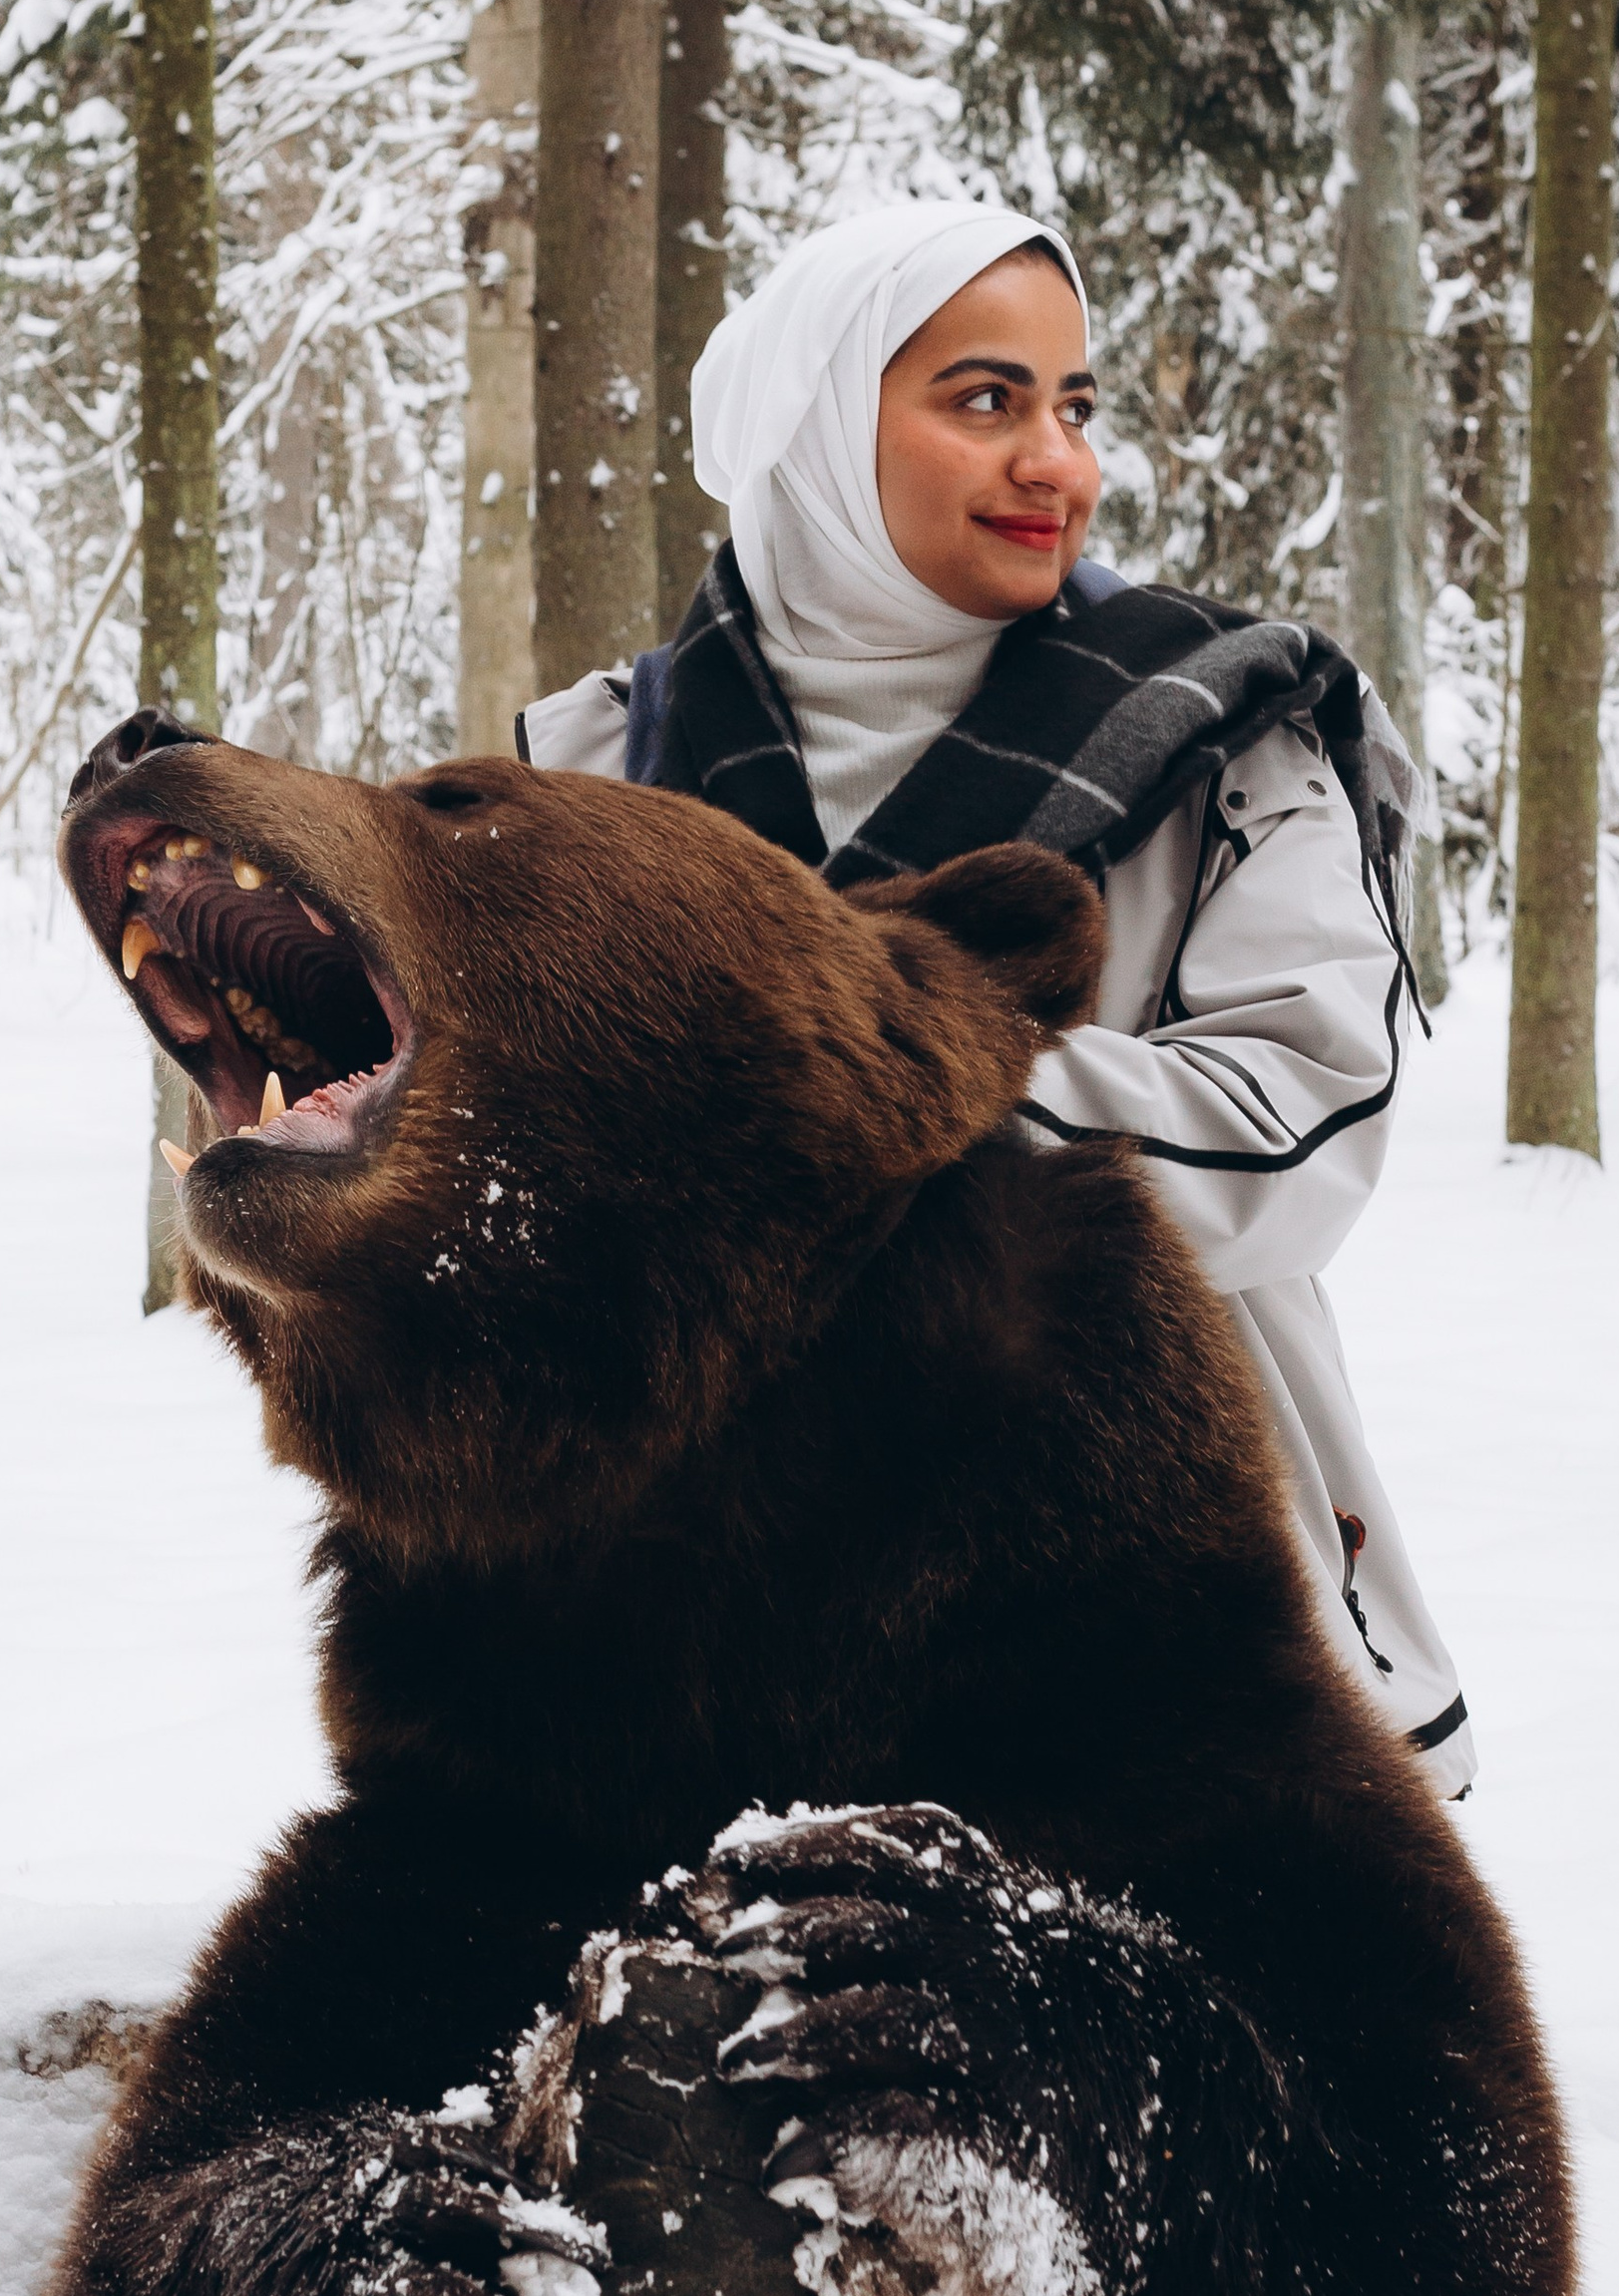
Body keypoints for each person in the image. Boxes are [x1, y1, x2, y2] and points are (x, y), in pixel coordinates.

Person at [520, 200, 1472, 1788]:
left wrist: (844, 1075)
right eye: (986, 399)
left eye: (1074, 405)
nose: (1061, 463)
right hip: (690, 1620)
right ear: (815, 435)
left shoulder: (1223, 733)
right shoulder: (603, 761)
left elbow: (1296, 1132)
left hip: (1134, 1589)